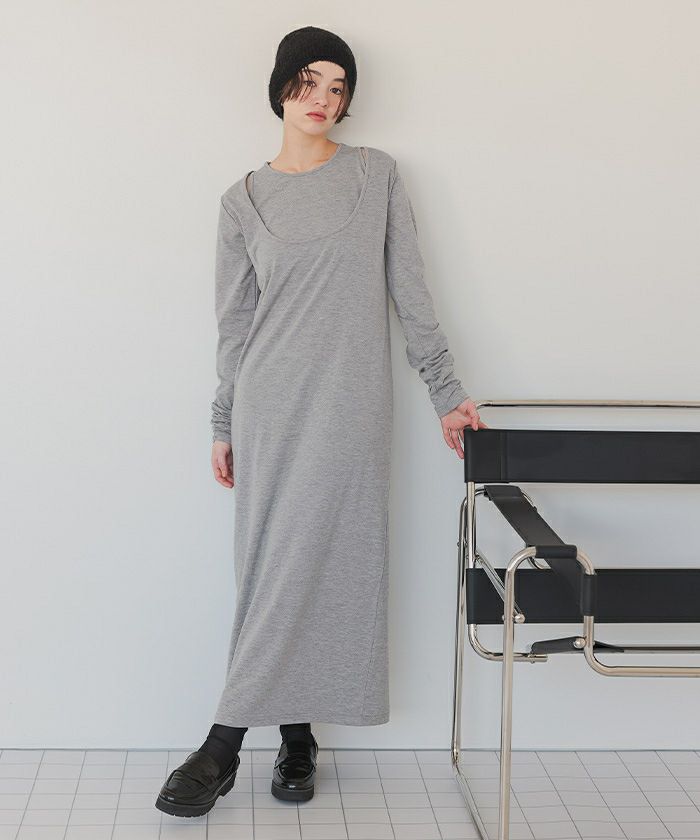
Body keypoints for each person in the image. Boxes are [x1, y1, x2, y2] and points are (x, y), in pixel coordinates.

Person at [156, 25, 485, 820]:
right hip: (269, 406)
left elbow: (411, 291)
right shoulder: (241, 201)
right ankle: (296, 738)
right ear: (281, 87)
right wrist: (223, 420)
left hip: (350, 406)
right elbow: (235, 325)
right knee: (268, 567)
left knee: (321, 562)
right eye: (309, 82)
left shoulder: (376, 175)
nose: (324, 100)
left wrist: (446, 391)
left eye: (338, 88)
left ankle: (223, 742)